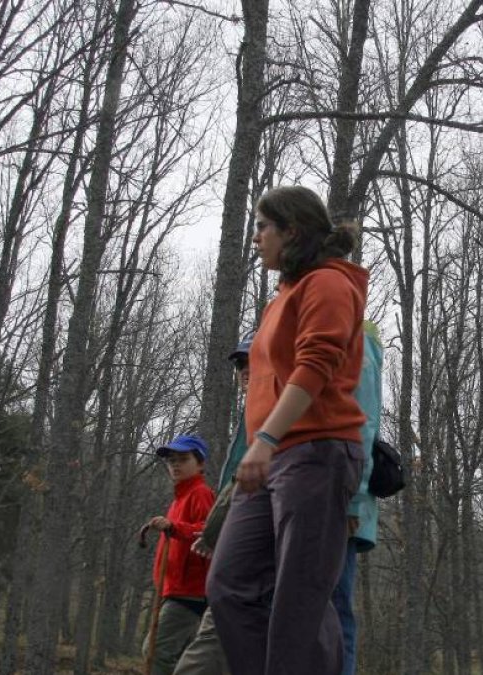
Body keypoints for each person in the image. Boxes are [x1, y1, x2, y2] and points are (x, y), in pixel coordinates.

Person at [207, 185, 367, 675]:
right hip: (270, 462)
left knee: (299, 602)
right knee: (228, 585)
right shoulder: (285, 295)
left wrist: (267, 438)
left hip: (315, 453)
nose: (255, 238)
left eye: (262, 227)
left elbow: (316, 365)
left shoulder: (329, 283)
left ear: (291, 230)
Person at [172, 334, 253, 675]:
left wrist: (213, 531)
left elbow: (246, 480)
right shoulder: (250, 414)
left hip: (247, 557)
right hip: (227, 559)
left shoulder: (276, 414)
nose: (245, 370)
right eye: (239, 365)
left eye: (254, 361)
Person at [331, 320, 383, 675]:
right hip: (312, 496)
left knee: (335, 609)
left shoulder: (359, 338)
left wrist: (352, 500)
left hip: (342, 500)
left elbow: (363, 426)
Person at [144, 434, 217, 675]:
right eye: (171, 460)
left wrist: (174, 528)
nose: (175, 464)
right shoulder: (179, 498)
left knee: (155, 651)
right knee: (181, 658)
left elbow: (210, 531)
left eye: (183, 459)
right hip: (174, 589)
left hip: (190, 591)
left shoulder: (200, 493)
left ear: (200, 463)